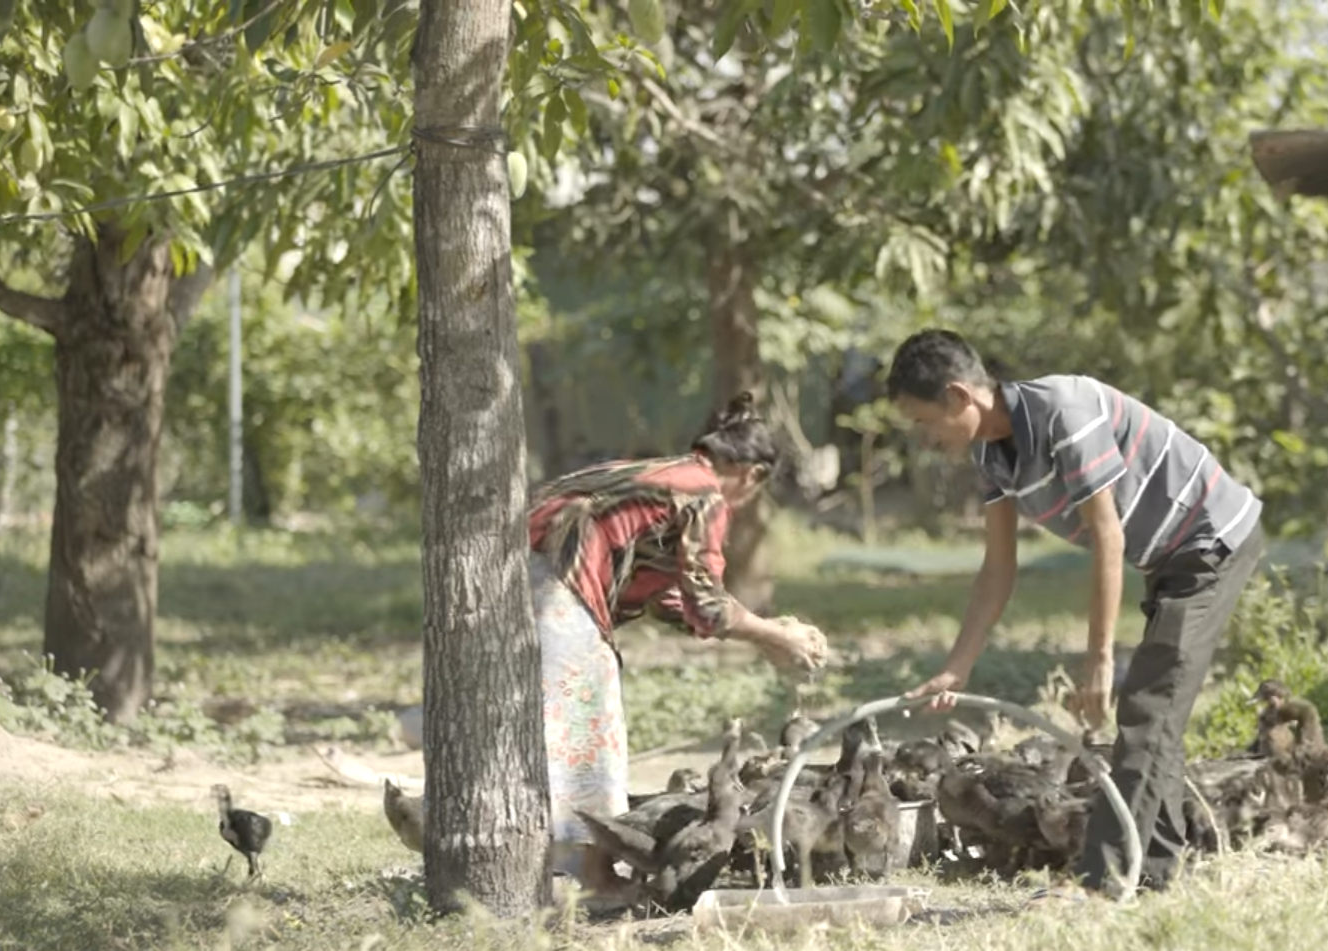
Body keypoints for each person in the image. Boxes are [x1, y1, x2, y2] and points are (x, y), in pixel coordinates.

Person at [888, 329, 1264, 903]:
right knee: (1155, 714)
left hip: (1212, 540)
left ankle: (1103, 883)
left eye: (923, 421)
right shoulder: (993, 456)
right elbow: (997, 569)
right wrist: (957, 667)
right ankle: (1156, 871)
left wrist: (1098, 661)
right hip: (1167, 556)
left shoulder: (1065, 410)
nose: (924, 437)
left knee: (1148, 709)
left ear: (960, 397)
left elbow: (1107, 535)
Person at [524, 392, 831, 900]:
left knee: (546, 722)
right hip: (557, 581)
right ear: (751, 475)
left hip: (519, 572)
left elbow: (675, 600)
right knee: (587, 724)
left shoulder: (664, 476)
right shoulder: (704, 491)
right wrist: (776, 635)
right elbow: (708, 606)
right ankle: (593, 876)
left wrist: (764, 633)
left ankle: (550, 865)